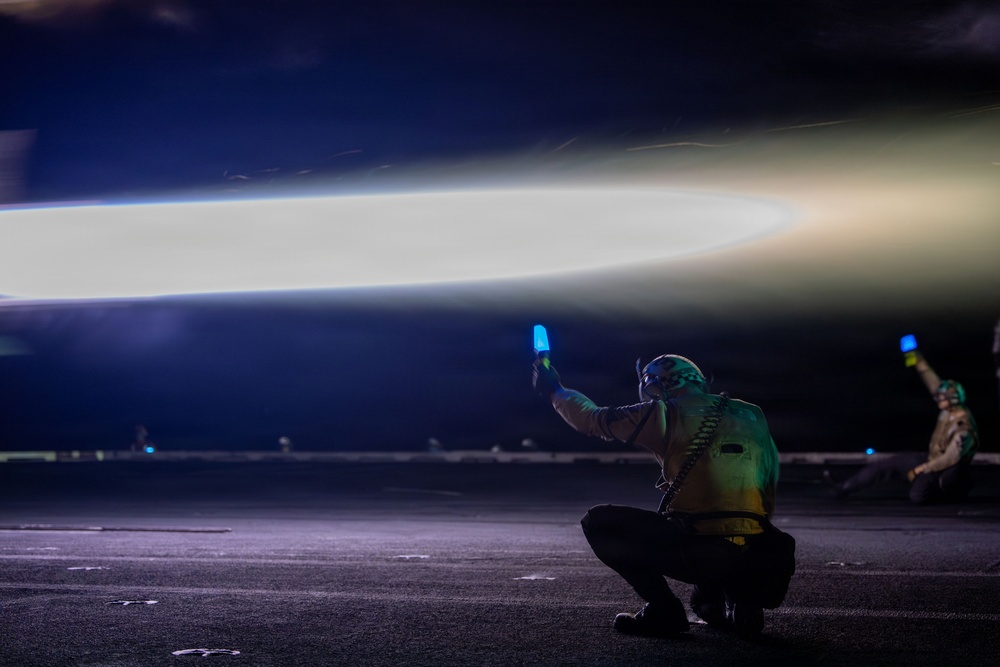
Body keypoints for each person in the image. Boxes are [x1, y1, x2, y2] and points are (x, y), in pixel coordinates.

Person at [532, 353, 795, 640]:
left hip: (703, 551)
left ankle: (663, 610)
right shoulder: (753, 413)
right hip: (760, 554)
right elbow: (767, 477)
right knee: (720, 558)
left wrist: (554, 389)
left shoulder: (664, 412)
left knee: (598, 521)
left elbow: (590, 419)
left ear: (655, 385)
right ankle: (743, 597)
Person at [830, 347, 978, 504]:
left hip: (947, 467)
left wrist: (920, 469)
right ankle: (844, 487)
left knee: (918, 496)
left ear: (953, 399)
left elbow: (950, 459)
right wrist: (916, 358)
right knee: (887, 465)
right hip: (932, 458)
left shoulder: (963, 428)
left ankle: (954, 490)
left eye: (942, 398)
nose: (938, 400)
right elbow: (932, 382)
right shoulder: (949, 410)